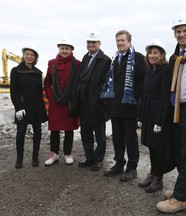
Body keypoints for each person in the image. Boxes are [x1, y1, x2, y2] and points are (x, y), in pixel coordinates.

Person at [155, 12, 186, 213]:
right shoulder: (177, 56)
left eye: (185, 30)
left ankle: (180, 197)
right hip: (176, 109)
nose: (182, 34)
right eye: (178, 31)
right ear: (174, 34)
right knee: (179, 149)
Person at [100, 30, 147, 181]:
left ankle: (132, 167)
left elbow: (143, 80)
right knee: (117, 137)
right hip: (115, 107)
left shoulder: (138, 58)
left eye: (122, 40)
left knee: (130, 138)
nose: (120, 43)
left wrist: (134, 96)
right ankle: (119, 163)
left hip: (129, 107)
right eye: (118, 41)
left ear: (129, 41)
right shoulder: (115, 59)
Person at [74, 29, 111, 171]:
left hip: (97, 104)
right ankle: (89, 157)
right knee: (86, 132)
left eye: (94, 42)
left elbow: (106, 83)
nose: (91, 45)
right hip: (84, 103)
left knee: (100, 134)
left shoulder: (105, 60)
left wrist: (98, 99)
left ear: (99, 43)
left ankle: (98, 159)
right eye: (89, 42)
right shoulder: (85, 58)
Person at [44, 37, 81, 166]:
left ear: (71, 50)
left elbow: (79, 83)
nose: (64, 50)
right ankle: (54, 154)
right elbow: (47, 81)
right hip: (56, 100)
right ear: (59, 49)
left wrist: (75, 96)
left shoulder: (77, 64)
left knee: (68, 128)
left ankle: (67, 153)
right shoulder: (52, 63)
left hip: (69, 100)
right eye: (62, 48)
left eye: (67, 48)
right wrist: (50, 95)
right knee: (54, 129)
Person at [138, 39, 168, 193]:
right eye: (150, 52)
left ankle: (159, 178)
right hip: (148, 114)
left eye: (155, 52)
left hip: (158, 115)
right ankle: (153, 172)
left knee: (158, 148)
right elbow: (145, 95)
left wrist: (159, 121)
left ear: (162, 55)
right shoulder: (150, 71)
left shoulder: (165, 71)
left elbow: (164, 97)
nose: (152, 55)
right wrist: (141, 118)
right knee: (151, 146)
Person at [10, 45, 48, 168]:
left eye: (32, 55)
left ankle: (35, 157)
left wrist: (44, 108)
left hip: (37, 107)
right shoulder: (16, 71)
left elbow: (39, 92)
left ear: (35, 57)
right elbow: (14, 91)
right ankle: (19, 159)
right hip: (23, 107)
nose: (29, 57)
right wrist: (18, 107)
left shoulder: (38, 73)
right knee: (21, 133)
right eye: (27, 54)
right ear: (23, 56)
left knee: (37, 132)